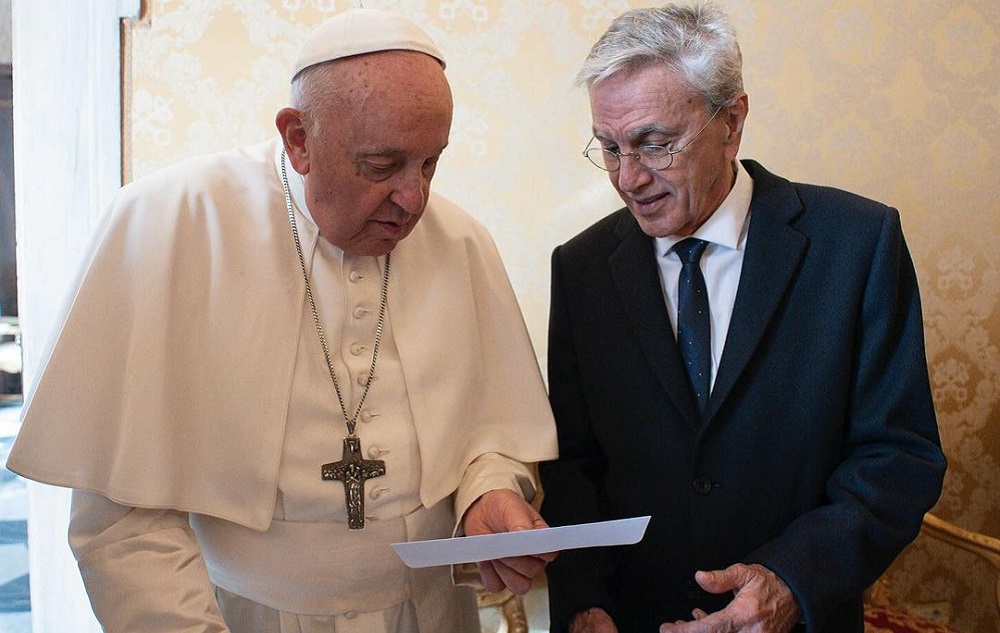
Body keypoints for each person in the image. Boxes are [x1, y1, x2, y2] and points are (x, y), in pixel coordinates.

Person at [6, 8, 558, 633]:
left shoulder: (459, 242)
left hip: (433, 616)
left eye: (430, 163)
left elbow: (492, 432)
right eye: (382, 166)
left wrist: (488, 491)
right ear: (298, 138)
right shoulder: (170, 224)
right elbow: (123, 520)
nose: (414, 199)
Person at [538, 4, 946, 632]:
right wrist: (584, 604)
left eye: (654, 144)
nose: (629, 178)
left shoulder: (857, 244)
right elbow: (573, 465)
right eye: (610, 148)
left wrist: (791, 582)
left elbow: (898, 456)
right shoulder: (582, 267)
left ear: (731, 122)